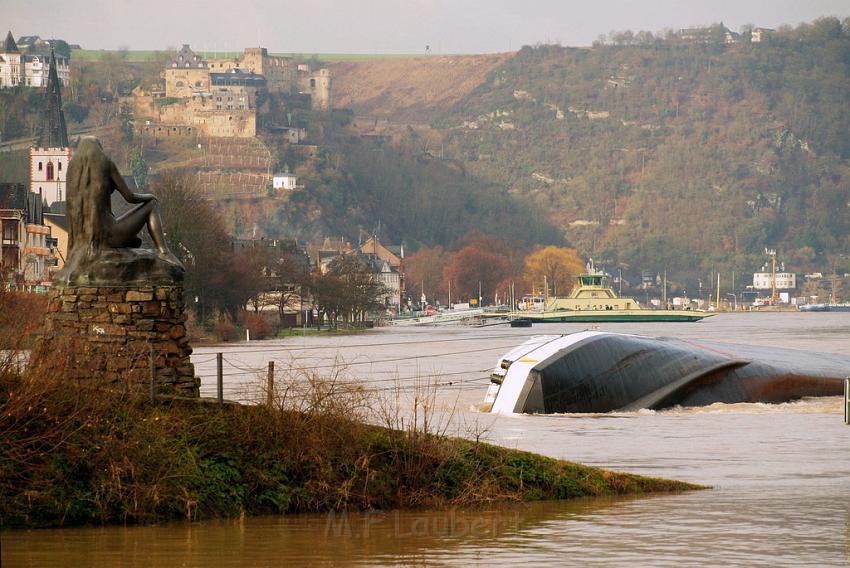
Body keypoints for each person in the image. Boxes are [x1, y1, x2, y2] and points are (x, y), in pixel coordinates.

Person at [65, 137, 182, 268]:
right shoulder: (105, 163)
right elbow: (130, 197)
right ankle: (164, 252)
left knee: (136, 242)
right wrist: (150, 196)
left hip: (85, 240)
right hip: (109, 235)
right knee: (152, 205)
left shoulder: (72, 172)